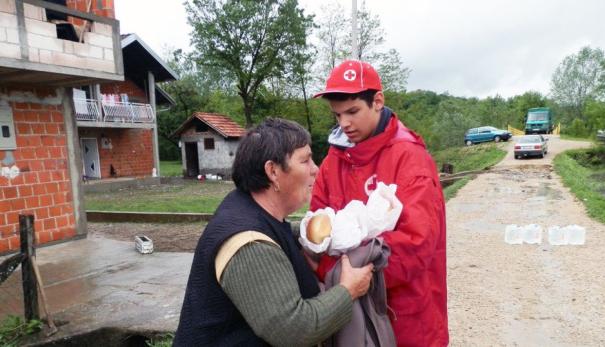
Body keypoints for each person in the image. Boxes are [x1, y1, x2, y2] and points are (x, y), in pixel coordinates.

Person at [173, 118, 374, 346]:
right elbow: (293, 330)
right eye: (305, 160)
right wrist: (348, 291)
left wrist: (310, 235)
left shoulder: (248, 206)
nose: (315, 169)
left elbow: (278, 232)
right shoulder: (249, 245)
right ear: (273, 171)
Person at [311, 60, 449, 346]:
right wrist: (343, 280)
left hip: (407, 320)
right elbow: (317, 231)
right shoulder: (331, 163)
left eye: (352, 112)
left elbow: (418, 241)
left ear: (377, 101)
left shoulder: (410, 159)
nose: (344, 123)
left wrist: (356, 274)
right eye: (337, 115)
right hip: (350, 319)